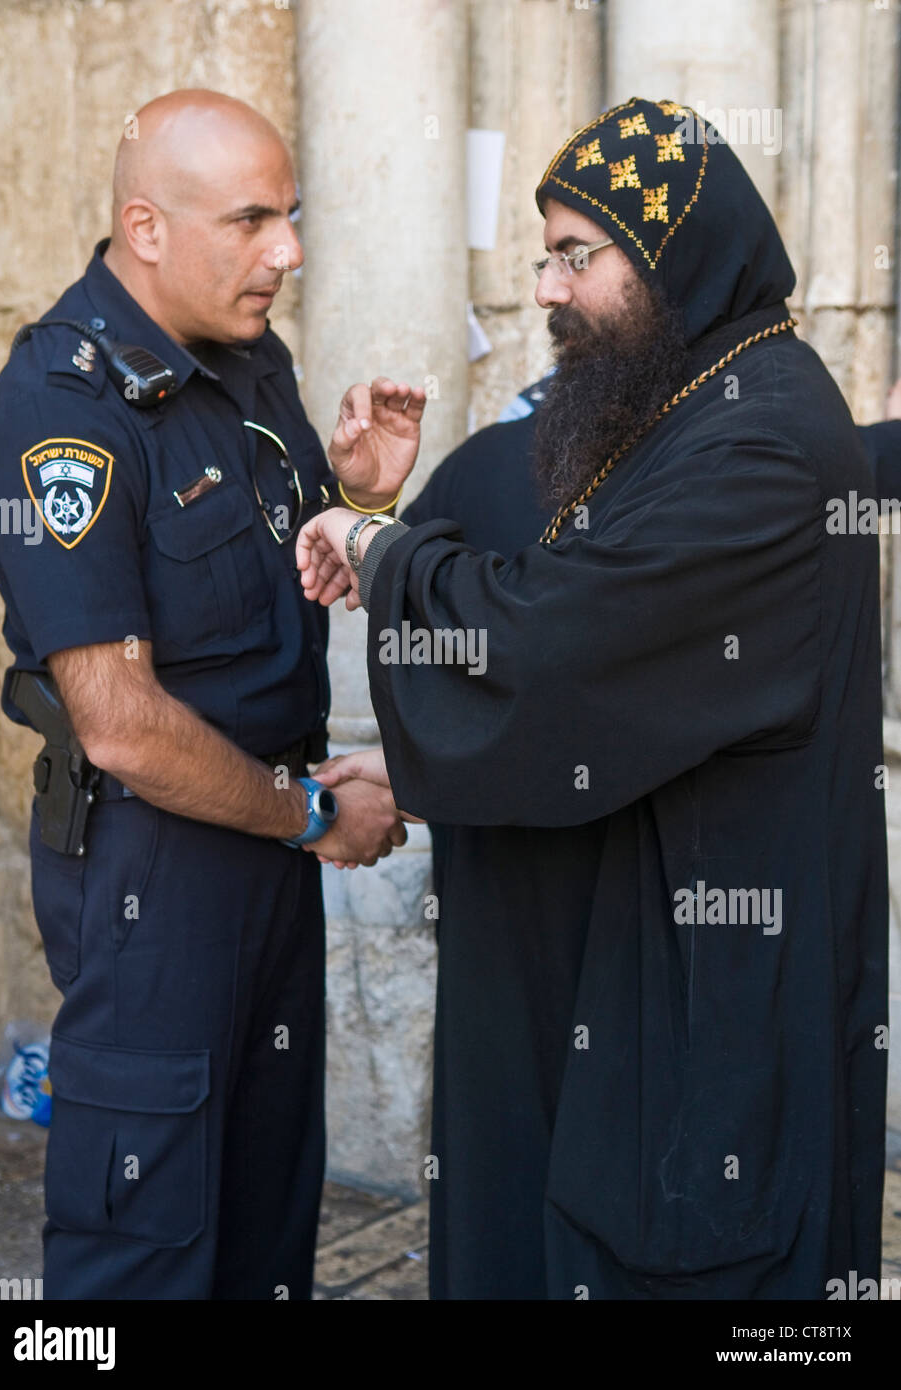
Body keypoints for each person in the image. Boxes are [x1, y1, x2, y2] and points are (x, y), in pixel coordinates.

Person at [297, 97, 889, 1299]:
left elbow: (554, 646)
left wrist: (379, 549)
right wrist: (417, 768)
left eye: (580, 254)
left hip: (697, 1013)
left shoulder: (758, 442)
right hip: (622, 977)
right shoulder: (681, 406)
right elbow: (619, 681)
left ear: (675, 254)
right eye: (542, 255)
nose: (548, 288)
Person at [0, 88, 426, 1300]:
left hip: (260, 851)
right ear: (147, 226)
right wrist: (317, 818)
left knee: (266, 1217)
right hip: (152, 870)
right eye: (253, 220)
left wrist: (356, 497)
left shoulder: (244, 356)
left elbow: (244, 579)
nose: (290, 251)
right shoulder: (58, 415)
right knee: (145, 1242)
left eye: (293, 216)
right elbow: (120, 725)